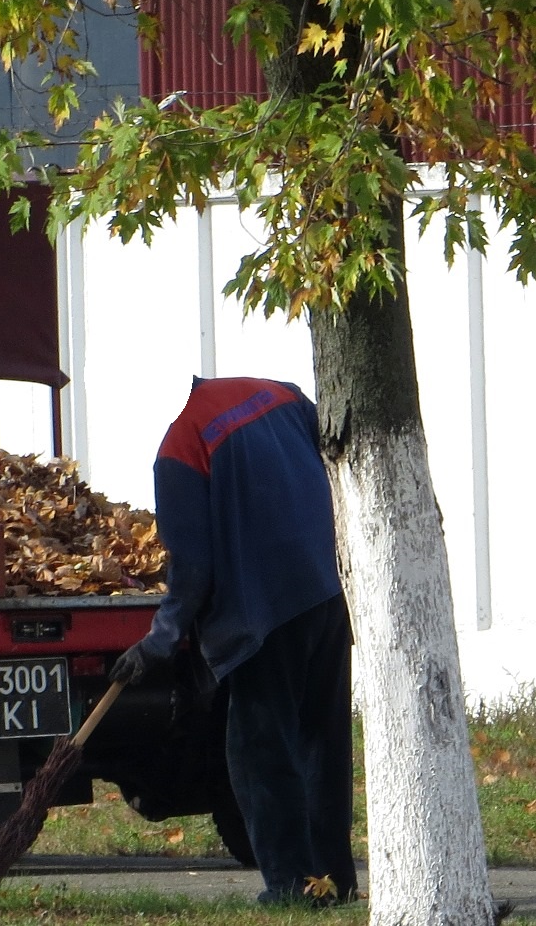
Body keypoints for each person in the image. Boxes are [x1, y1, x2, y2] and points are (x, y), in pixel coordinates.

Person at [110, 376, 356, 905]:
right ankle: (335, 877)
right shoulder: (281, 395)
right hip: (327, 593)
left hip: (264, 617)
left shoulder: (180, 448)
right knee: (322, 745)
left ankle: (293, 886)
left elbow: (192, 570)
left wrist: (157, 643)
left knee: (259, 754)